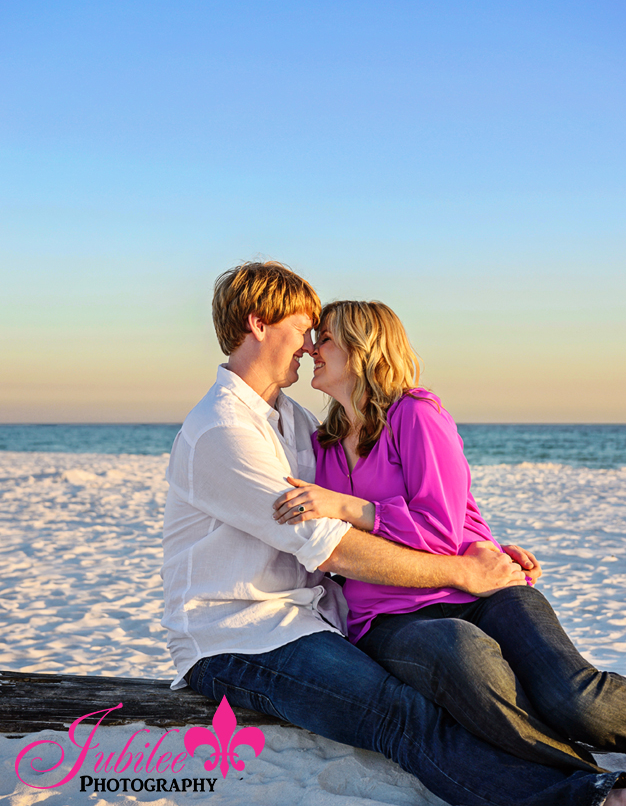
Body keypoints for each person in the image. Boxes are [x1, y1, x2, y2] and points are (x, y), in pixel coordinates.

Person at [162, 262, 626, 805]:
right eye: (303, 327)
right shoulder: (224, 429)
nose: (311, 344)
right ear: (258, 323)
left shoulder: (300, 423)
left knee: (555, 694)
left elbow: (430, 508)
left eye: (321, 334)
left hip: (313, 619)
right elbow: (331, 543)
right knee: (403, 715)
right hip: (239, 634)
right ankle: (591, 796)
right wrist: (464, 570)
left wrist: (485, 548)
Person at [273, 299, 626, 776]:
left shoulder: (416, 414)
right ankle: (594, 784)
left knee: (576, 701)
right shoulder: (323, 446)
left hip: (484, 589)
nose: (312, 348)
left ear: (364, 348)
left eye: (326, 338)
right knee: (465, 656)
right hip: (387, 619)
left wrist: (347, 507)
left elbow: (440, 530)